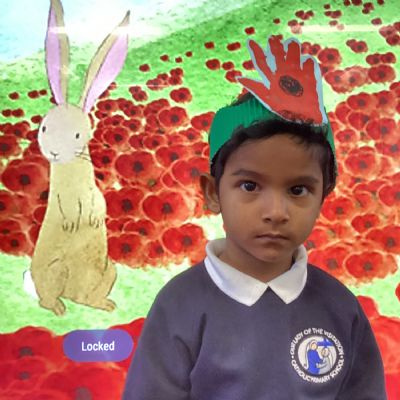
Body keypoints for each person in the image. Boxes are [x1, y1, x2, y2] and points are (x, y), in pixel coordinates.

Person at [122, 36, 387, 399]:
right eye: (250, 186)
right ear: (213, 192)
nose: (275, 213)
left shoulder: (340, 307)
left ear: (324, 196)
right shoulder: (179, 305)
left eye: (298, 190)